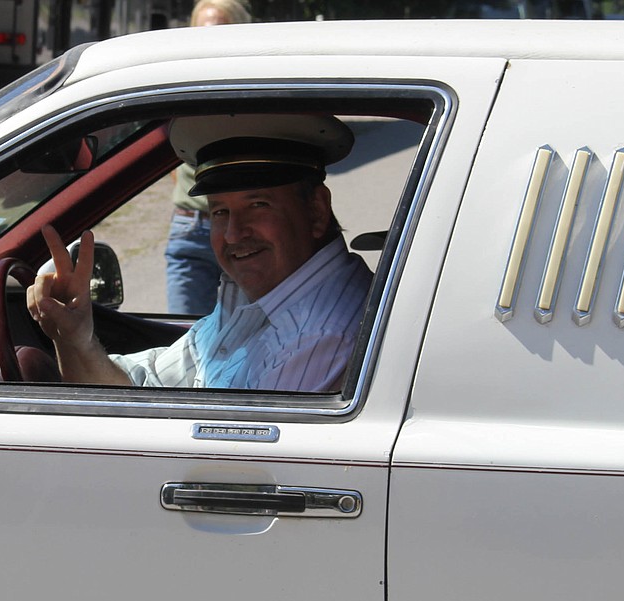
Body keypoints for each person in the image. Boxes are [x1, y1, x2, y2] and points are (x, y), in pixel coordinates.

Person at [27, 113, 373, 392]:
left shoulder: (316, 334)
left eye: (258, 205)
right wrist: (74, 339)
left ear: (316, 210)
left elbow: (224, 464)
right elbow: (149, 386)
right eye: (220, 212)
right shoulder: (266, 296)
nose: (234, 233)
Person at [164, 0, 252, 315]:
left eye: (220, 33)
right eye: (200, 34)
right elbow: (165, 154)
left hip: (246, 231)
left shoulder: (259, 87)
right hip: (190, 228)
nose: (208, 43)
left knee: (245, 343)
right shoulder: (179, 85)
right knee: (182, 339)